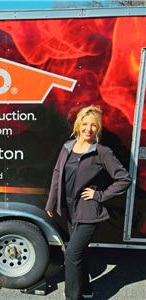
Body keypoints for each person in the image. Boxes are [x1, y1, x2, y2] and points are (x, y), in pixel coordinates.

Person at [45, 105, 131, 300]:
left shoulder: (102, 152)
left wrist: (99, 195)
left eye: (93, 125)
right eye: (85, 124)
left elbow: (124, 179)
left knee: (71, 256)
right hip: (69, 210)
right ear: (78, 125)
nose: (88, 129)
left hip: (89, 213)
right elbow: (57, 174)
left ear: (98, 128)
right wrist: (51, 202)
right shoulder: (68, 146)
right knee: (78, 254)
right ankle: (85, 289)